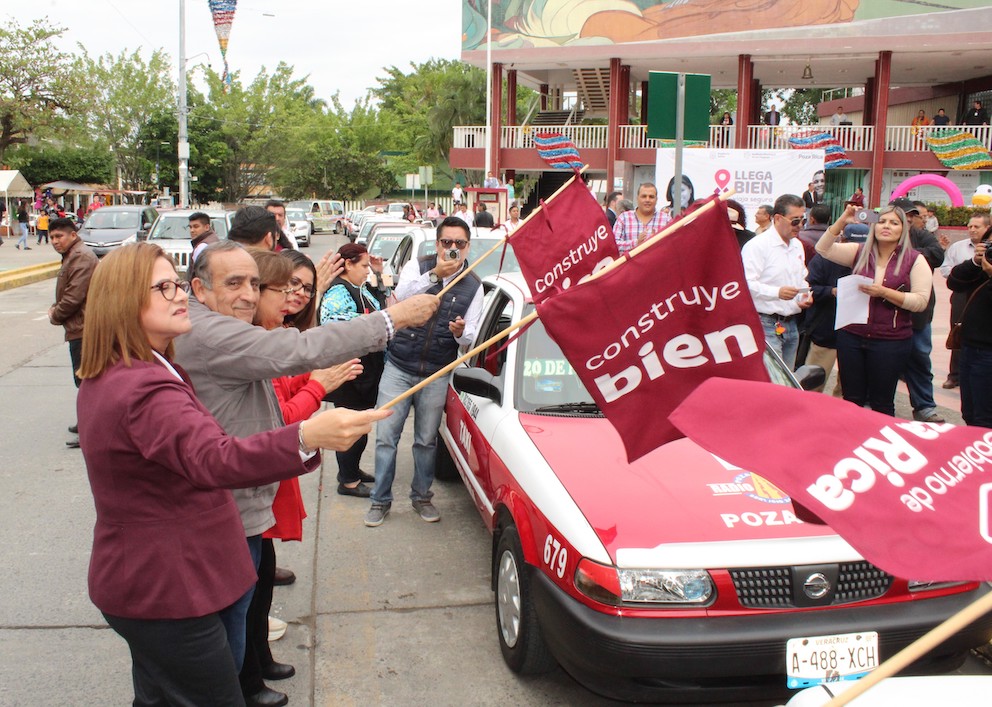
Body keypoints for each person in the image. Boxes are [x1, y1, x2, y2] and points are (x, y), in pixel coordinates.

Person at [76, 241, 386, 707]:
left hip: (162, 582)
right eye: (163, 288)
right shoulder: (142, 385)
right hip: (168, 589)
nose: (181, 296)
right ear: (124, 300)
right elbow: (215, 459)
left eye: (176, 285)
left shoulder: (140, 368)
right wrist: (307, 436)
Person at [172, 240, 437, 703]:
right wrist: (395, 319)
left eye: (254, 284)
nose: (249, 296)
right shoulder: (210, 332)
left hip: (243, 502)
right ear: (198, 288)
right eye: (234, 283)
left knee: (240, 623)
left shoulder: (219, 327)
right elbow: (302, 353)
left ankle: (246, 679)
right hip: (229, 506)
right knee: (225, 645)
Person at [365, 217, 484, 528]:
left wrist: (460, 333)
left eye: (459, 244)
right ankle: (380, 500)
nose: (453, 249)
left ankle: (421, 496)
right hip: (399, 365)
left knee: (426, 440)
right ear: (437, 243)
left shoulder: (474, 284)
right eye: (447, 243)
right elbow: (400, 299)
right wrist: (435, 274)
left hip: (436, 373)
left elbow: (471, 336)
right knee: (386, 437)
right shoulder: (418, 267)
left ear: (468, 246)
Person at [815, 204, 932, 416]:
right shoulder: (859, 251)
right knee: (852, 399)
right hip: (852, 335)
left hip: (890, 340)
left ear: (903, 229)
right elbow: (823, 249)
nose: (886, 226)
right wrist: (843, 220)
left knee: (882, 402)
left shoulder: (915, 259)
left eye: (894, 223)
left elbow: (920, 301)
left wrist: (884, 292)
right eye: (882, 221)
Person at [320, 243, 391, 498]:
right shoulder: (338, 291)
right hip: (351, 373)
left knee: (360, 426)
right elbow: (334, 324)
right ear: (347, 265)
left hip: (365, 370)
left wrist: (379, 274)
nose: (366, 271)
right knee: (351, 426)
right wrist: (374, 325)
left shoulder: (358, 288)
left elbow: (382, 307)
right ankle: (348, 480)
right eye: (363, 266)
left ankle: (351, 471)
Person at [742, 194, 813, 369]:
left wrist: (804, 296)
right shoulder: (758, 245)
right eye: (795, 221)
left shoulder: (797, 245)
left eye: (803, 221)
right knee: (774, 380)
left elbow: (801, 277)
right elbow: (745, 283)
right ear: (778, 219)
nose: (799, 226)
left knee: (786, 381)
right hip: (765, 323)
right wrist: (777, 292)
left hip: (791, 323)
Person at [48, 217, 98, 448]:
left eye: (59, 236)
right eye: (52, 237)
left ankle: (91, 429)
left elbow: (73, 297)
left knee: (87, 380)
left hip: (84, 328)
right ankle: (86, 422)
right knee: (84, 378)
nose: (55, 241)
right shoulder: (73, 255)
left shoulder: (81, 257)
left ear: (73, 235)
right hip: (79, 326)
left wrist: (55, 314)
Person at [896, 199, 946, 423]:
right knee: (884, 361)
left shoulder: (922, 236)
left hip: (918, 314)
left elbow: (936, 254)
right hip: (887, 313)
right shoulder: (879, 234)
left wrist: (906, 254)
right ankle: (880, 405)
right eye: (904, 215)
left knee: (920, 360)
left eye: (911, 216)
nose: (908, 220)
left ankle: (924, 405)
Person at [940, 212, 991, 389]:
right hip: (967, 303)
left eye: (977, 226)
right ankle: (954, 375)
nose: (972, 230)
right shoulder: (964, 251)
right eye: (970, 226)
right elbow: (952, 279)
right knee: (958, 331)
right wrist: (975, 262)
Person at [946, 237, 992, 427]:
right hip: (969, 347)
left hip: (988, 353)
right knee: (969, 412)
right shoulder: (982, 268)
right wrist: (976, 261)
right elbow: (954, 282)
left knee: (985, 416)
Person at [612, 182, 670, 255]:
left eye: (651, 197)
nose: (647, 200)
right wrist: (636, 243)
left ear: (656, 199)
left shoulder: (666, 219)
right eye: (644, 196)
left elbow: (673, 245)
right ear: (637, 198)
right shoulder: (624, 218)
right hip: (631, 266)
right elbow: (614, 245)